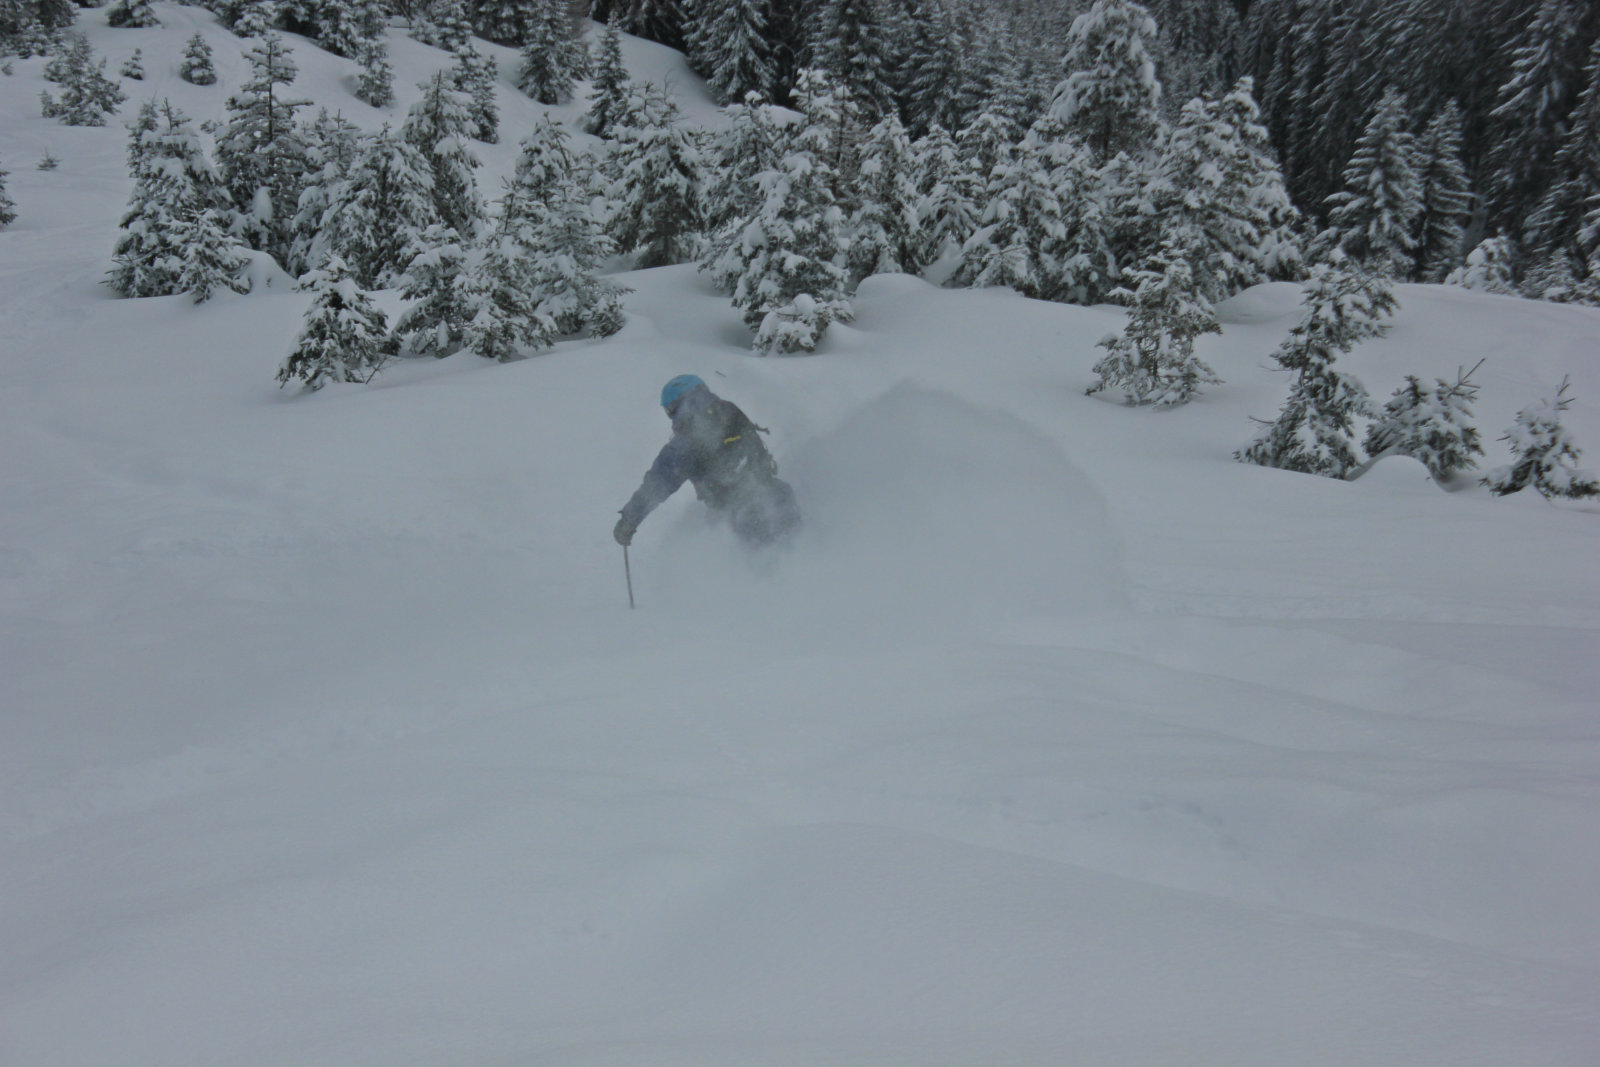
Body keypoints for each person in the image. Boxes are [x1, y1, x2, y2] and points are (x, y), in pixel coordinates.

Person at [614, 375, 801, 549]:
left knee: (756, 567)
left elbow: (658, 483)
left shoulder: (685, 442)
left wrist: (629, 520)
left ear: (675, 407)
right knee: (796, 549)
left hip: (736, 516)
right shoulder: (730, 411)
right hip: (776, 495)